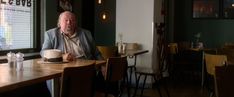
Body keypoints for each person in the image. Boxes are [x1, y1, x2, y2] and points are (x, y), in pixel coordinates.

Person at [41, 11, 104, 95]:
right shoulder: (50, 34)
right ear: (59, 23)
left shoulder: (86, 34)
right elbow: (43, 52)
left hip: (85, 69)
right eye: (66, 20)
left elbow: (96, 53)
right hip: (63, 71)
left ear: (76, 23)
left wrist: (103, 64)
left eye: (72, 20)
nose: (69, 22)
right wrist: (61, 56)